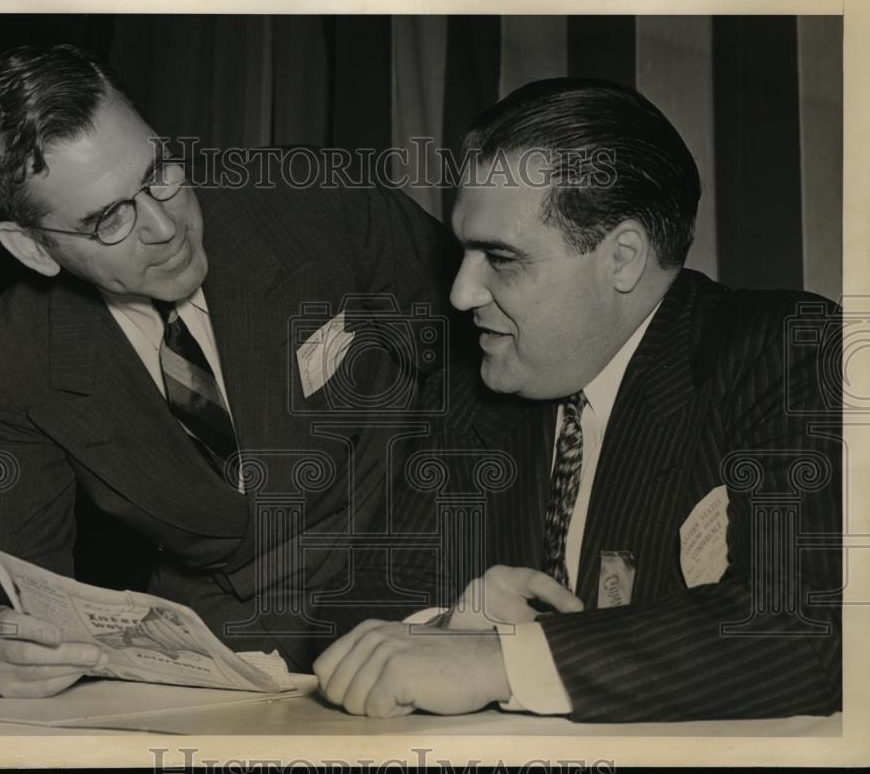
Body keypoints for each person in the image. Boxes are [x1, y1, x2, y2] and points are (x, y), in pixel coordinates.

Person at [313, 77, 842, 722]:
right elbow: (347, 621)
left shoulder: (787, 354)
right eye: (463, 252)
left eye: (500, 258)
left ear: (621, 257)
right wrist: (450, 624)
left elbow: (810, 629)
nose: (459, 293)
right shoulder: (471, 389)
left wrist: (500, 662)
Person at [0, 44, 457, 697]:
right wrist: (2, 638)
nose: (165, 226)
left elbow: (487, 362)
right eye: (108, 219)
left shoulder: (321, 206)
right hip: (233, 648)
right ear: (33, 248)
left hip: (433, 575)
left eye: (158, 171)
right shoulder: (15, 357)